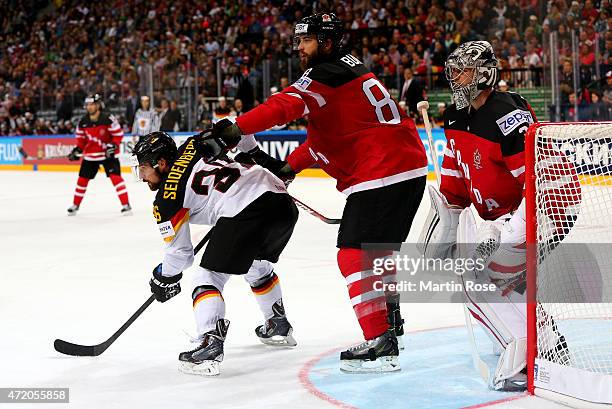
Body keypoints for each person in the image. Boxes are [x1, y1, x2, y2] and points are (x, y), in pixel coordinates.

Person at [204, 13, 428, 373]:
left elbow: (282, 106)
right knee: (379, 254)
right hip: (408, 168)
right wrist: (289, 167)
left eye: (306, 41)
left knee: (353, 256)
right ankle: (391, 325)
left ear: (326, 42)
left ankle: (380, 344)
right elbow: (325, 139)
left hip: (381, 169)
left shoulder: (325, 74)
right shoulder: (347, 71)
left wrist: (234, 130)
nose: (300, 49)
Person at [418, 40, 568, 391]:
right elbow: (455, 172)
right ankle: (544, 345)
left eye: (463, 70)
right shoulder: (454, 115)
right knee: (491, 281)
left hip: (550, 205)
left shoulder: (507, 114)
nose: (455, 77)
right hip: (511, 213)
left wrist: (506, 234)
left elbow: (540, 183)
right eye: (453, 70)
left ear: (484, 73)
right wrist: (447, 220)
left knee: (486, 275)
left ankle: (530, 356)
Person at [130, 131, 298, 376]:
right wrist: (260, 157)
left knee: (206, 278)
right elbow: (238, 129)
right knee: (256, 265)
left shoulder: (166, 199)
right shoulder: (194, 143)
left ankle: (209, 344)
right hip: (282, 204)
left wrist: (163, 276)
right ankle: (278, 325)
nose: (142, 177)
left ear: (162, 163)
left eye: (143, 168)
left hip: (245, 211)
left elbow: (180, 254)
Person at [67, 94, 131, 215]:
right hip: (91, 156)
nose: (89, 107)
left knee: (116, 178)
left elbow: (118, 135)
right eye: (87, 105)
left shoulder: (108, 118)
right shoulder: (83, 122)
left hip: (107, 155)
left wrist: (112, 146)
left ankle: (126, 205)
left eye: (91, 104)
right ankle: (75, 205)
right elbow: (81, 141)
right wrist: (77, 151)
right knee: (82, 180)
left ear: (98, 105)